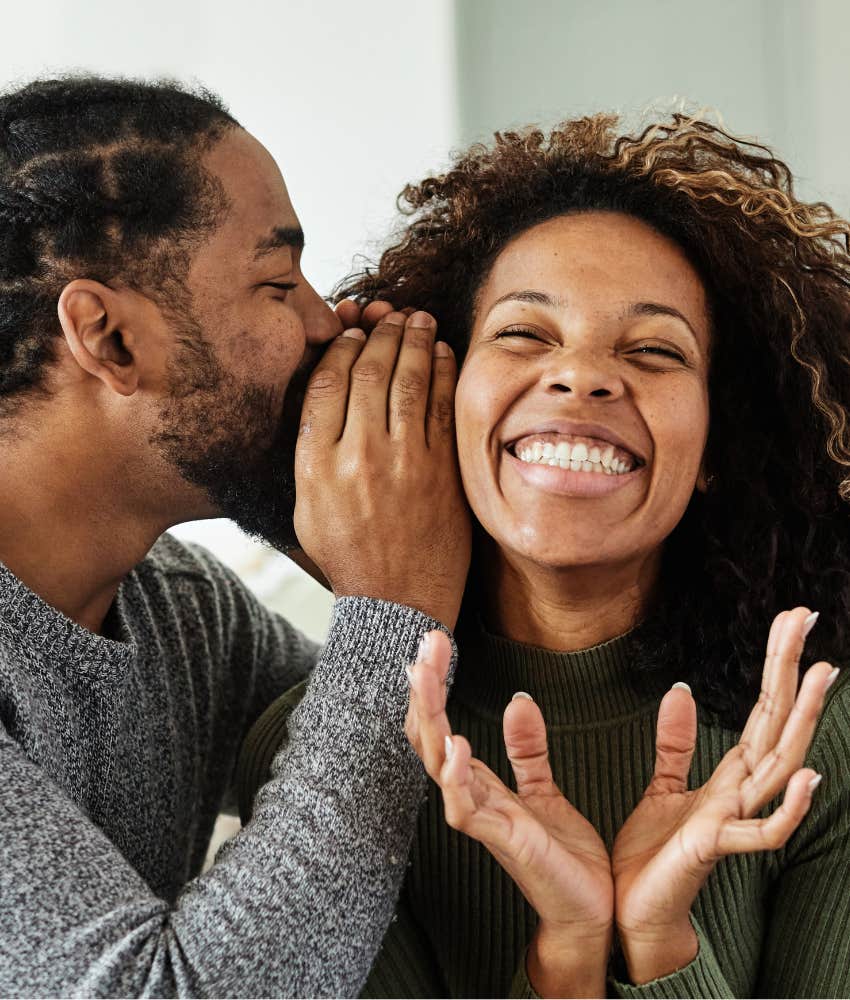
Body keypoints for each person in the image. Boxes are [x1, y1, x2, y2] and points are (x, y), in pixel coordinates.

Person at [241, 113, 850, 998]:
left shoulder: (818, 739)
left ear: (722, 446)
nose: (583, 377)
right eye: (526, 334)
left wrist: (661, 939)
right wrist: (566, 954)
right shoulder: (325, 754)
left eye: (653, 350)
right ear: (442, 399)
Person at [0, 76, 471, 997]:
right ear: (109, 338)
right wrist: (392, 605)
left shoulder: (180, 610)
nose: (323, 322)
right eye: (276, 281)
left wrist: (364, 535)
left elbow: (428, 765)